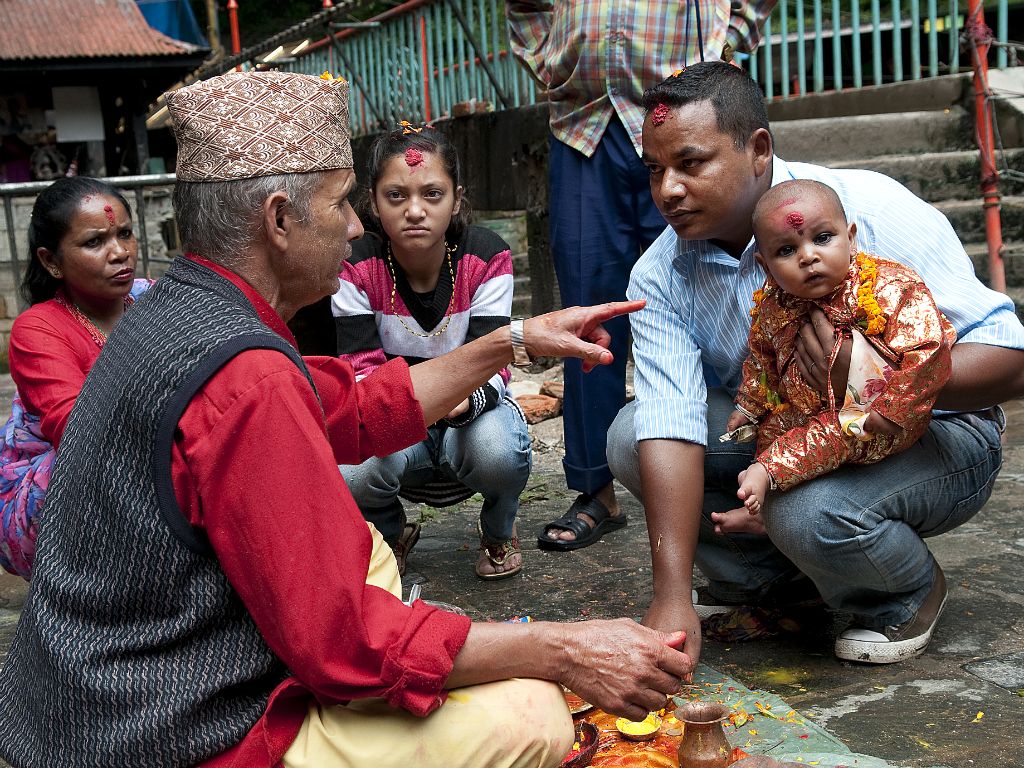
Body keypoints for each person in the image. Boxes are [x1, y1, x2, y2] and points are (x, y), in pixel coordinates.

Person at [0, 71, 691, 768]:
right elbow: (342, 641)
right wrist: (564, 649)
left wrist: (514, 340)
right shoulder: (246, 372)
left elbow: (358, 406)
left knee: (365, 547)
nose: (358, 225)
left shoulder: (176, 309)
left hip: (75, 705)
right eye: (341, 203)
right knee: (532, 714)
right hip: (162, 734)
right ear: (277, 219)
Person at [605, 62, 1024, 667]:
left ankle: (903, 591)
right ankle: (765, 580)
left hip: (942, 433)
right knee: (632, 434)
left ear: (758, 150)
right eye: (654, 170)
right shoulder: (661, 271)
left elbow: (1011, 360)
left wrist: (867, 374)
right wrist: (669, 597)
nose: (667, 189)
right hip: (794, 427)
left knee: (801, 509)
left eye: (690, 164)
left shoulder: (866, 207)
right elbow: (671, 421)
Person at [506, 0, 777, 551]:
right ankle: (593, 488)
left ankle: (739, 471)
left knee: (707, 285)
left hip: (681, 112)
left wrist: (724, 39)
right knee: (589, 317)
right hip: (584, 123)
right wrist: (550, 57)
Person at [334, 124, 530, 580]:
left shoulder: (485, 257)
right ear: (373, 202)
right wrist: (421, 406)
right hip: (398, 422)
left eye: (433, 194)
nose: (415, 211)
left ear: (456, 199)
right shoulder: (355, 265)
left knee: (498, 450)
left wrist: (457, 400)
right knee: (349, 469)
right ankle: (388, 534)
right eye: (397, 196)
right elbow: (360, 370)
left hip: (474, 413)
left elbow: (492, 360)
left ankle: (500, 531)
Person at [726, 179, 956, 512]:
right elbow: (761, 359)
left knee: (836, 432)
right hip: (803, 406)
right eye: (786, 250)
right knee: (770, 432)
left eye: (822, 238)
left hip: (874, 415)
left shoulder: (889, 286)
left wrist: (890, 409)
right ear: (766, 267)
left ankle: (768, 475)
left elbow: (929, 353)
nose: (808, 256)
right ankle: (765, 504)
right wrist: (748, 407)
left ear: (850, 239)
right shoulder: (772, 304)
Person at [0, 176, 150, 578]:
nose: (120, 252)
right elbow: (78, 429)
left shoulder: (153, 300)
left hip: (143, 460)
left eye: (125, 233)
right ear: (51, 262)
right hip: (61, 488)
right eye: (94, 242)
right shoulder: (38, 329)